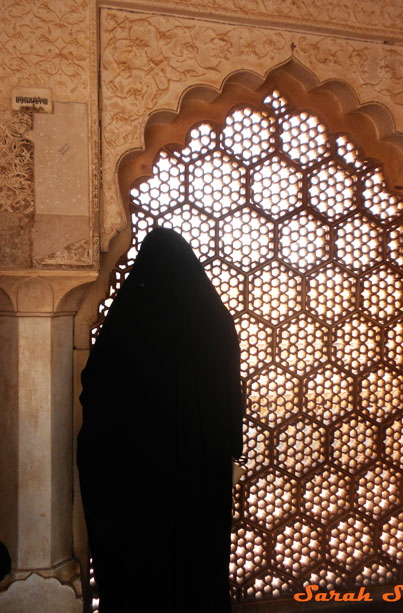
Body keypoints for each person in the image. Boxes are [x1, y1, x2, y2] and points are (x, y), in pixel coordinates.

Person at [77, 227, 244, 612]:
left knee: (140, 571)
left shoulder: (126, 324)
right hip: (198, 476)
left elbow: (95, 392)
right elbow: (228, 395)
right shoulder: (214, 322)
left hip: (134, 483)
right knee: (195, 565)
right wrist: (227, 448)